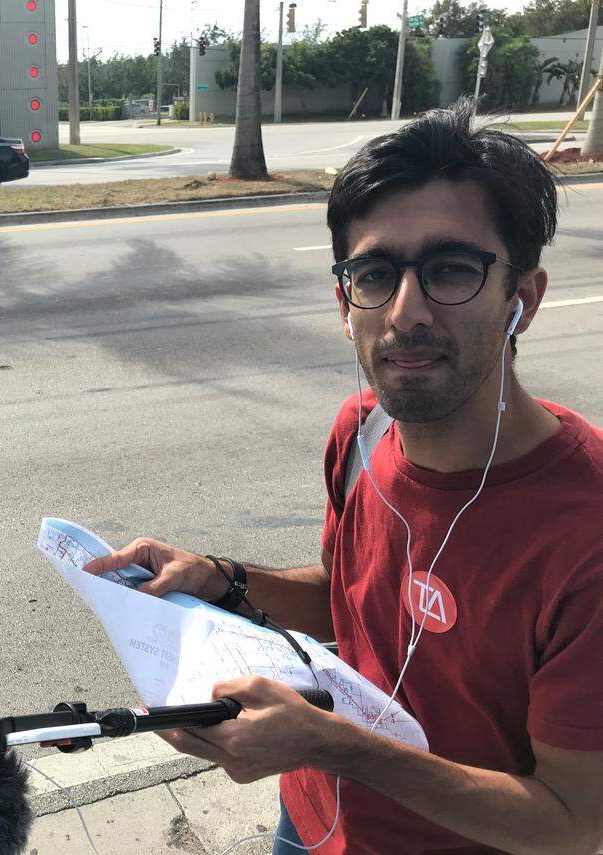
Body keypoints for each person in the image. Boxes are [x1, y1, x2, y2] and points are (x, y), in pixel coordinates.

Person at [84, 99, 603, 854]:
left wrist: (332, 745)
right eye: (375, 273)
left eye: (452, 269)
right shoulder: (362, 430)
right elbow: (348, 599)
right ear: (343, 301)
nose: (406, 311)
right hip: (310, 818)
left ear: (521, 299)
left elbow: (573, 822)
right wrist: (220, 579)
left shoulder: (585, 528)